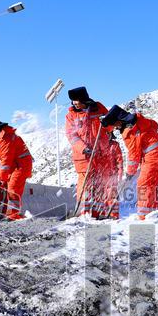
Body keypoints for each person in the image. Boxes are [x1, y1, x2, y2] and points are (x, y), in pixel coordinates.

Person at [65, 86, 122, 219]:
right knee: (85, 186)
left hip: (101, 154)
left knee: (100, 185)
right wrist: (83, 148)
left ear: (83, 99)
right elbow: (71, 135)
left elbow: (109, 128)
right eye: (73, 101)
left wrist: (107, 122)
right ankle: (83, 214)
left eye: (76, 100)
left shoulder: (98, 108)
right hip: (84, 156)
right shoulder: (71, 115)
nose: (74, 103)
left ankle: (98, 214)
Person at [101, 105, 158, 220]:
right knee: (151, 186)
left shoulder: (129, 131)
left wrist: (130, 173)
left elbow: (133, 155)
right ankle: (154, 213)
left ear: (119, 120)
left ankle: (144, 216)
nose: (115, 128)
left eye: (115, 125)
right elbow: (154, 124)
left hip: (152, 158)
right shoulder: (139, 120)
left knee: (143, 185)